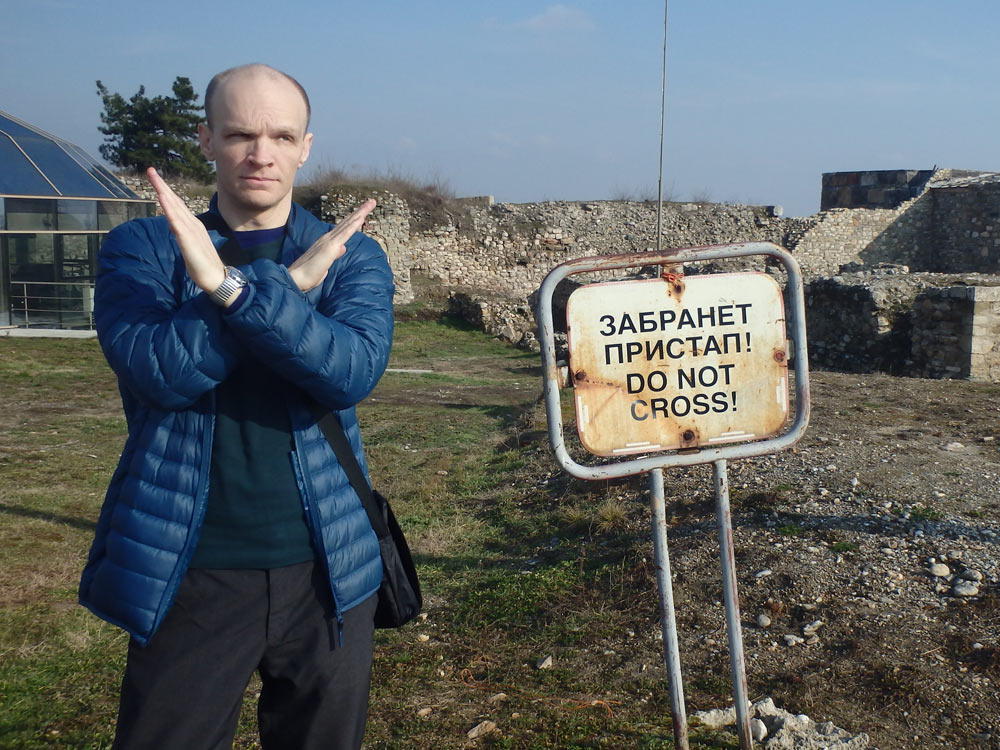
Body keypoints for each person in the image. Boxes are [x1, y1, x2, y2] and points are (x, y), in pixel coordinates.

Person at [78, 63, 394, 750]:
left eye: (282, 135)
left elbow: (348, 372)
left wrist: (235, 293)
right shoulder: (142, 250)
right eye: (241, 133)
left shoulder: (349, 257)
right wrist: (277, 294)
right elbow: (157, 370)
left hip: (328, 567)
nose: (262, 153)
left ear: (306, 145)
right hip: (190, 566)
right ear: (207, 139)